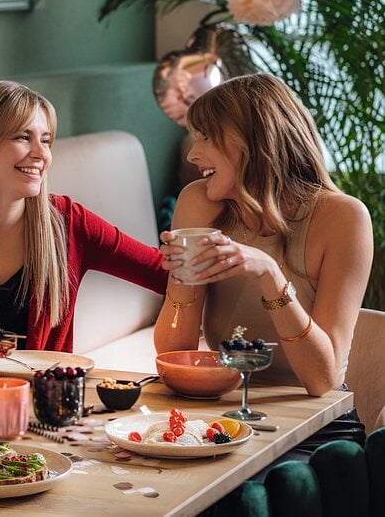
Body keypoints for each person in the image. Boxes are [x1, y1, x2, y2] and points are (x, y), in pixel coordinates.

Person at [0, 80, 168, 405]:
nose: (42, 154)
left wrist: (219, 257)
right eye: (23, 137)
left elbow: (164, 273)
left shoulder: (69, 222)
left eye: (45, 140)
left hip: (50, 411)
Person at [154, 73, 372, 454]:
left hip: (316, 430)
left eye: (205, 137)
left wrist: (270, 274)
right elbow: (174, 355)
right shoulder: (200, 203)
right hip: (227, 420)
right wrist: (183, 275)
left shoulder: (344, 219)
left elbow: (321, 380)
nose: (192, 155)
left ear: (249, 142)